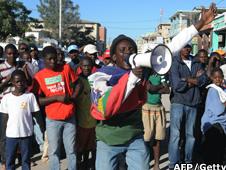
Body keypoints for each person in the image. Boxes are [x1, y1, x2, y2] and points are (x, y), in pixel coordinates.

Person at [88, 3, 217, 170]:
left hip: (134, 136)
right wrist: (132, 77)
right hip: (108, 140)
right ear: (113, 57)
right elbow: (106, 107)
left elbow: (171, 47)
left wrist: (199, 24)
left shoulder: (141, 70)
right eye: (122, 50)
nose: (128, 53)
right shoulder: (100, 76)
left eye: (131, 49)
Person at [32, 46, 78, 170]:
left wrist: (73, 97)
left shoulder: (66, 68)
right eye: (49, 59)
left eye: (54, 58)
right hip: (52, 119)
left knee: (71, 150)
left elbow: (78, 84)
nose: (53, 61)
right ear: (44, 60)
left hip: (69, 117)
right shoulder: (39, 76)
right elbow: (38, 100)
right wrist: (56, 98)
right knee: (54, 152)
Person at [0, 70, 40, 170]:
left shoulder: (30, 96)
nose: (20, 83)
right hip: (11, 136)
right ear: (12, 82)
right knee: (10, 161)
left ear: (25, 82)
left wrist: (42, 130)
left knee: (26, 160)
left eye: (22, 81)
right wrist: (3, 137)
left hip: (26, 135)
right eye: (17, 81)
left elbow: (36, 115)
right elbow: (4, 118)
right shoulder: (6, 98)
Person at [142, 70, 169, 170]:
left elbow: (167, 90)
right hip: (147, 108)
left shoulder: (161, 74)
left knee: (158, 138)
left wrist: (155, 88)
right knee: (146, 137)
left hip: (159, 108)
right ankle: (145, 161)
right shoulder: (146, 74)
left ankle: (156, 164)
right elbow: (149, 87)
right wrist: (161, 86)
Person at [201, 68, 226, 164]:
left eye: (220, 77)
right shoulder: (213, 90)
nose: (218, 79)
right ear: (212, 78)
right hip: (213, 125)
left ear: (223, 78)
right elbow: (219, 109)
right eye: (215, 77)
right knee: (213, 156)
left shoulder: (222, 90)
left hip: (221, 124)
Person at [75, 57, 97, 170]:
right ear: (80, 67)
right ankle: (81, 165)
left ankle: (92, 166)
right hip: (81, 121)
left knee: (93, 147)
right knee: (81, 148)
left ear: (92, 66)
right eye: (84, 65)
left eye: (88, 65)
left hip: (94, 121)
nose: (86, 67)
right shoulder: (77, 81)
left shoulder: (96, 80)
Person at [0, 44, 18, 170]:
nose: (11, 56)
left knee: (17, 134)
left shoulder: (20, 67)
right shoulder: (0, 67)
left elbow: (27, 83)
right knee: (4, 135)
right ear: (5, 54)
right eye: (9, 54)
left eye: (13, 53)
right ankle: (5, 160)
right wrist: (7, 80)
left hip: (18, 106)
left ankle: (18, 157)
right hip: (4, 106)